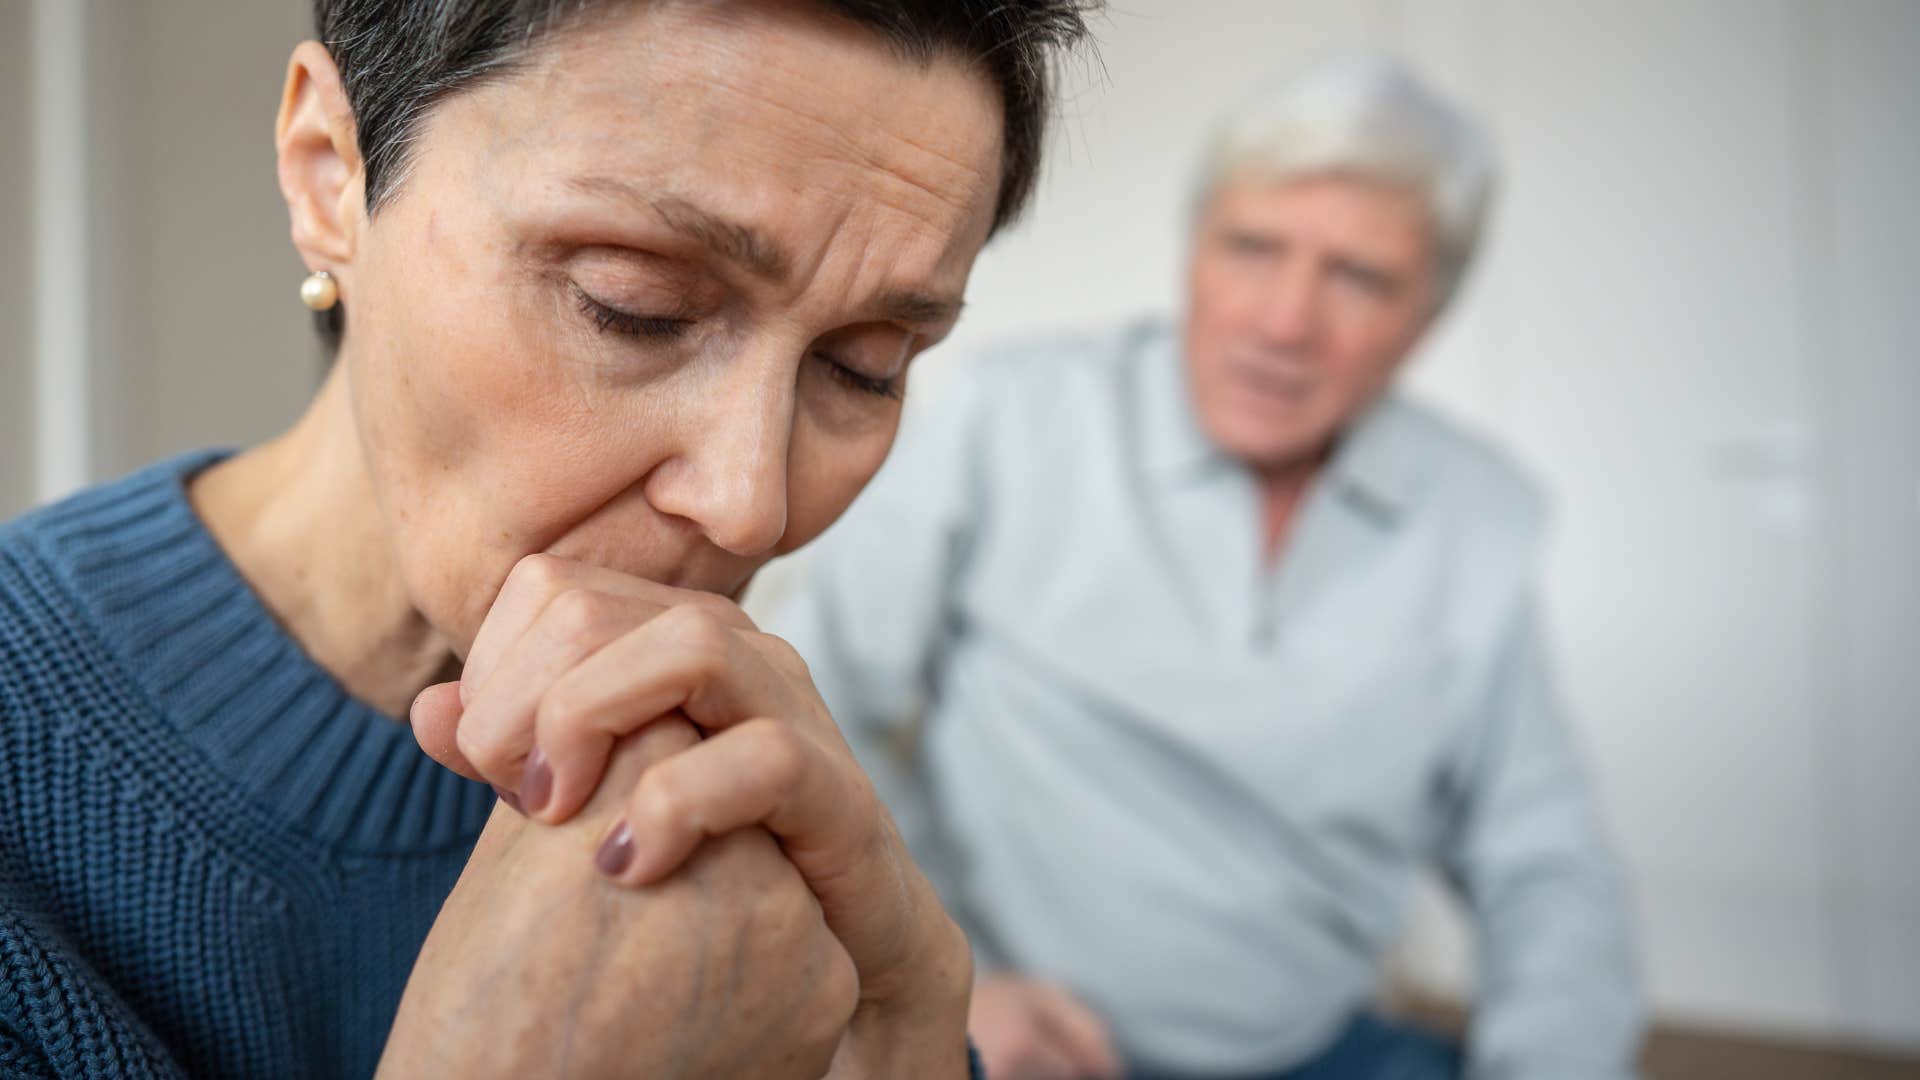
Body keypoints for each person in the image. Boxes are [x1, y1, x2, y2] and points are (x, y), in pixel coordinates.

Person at [0, 1, 1095, 1076]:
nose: (751, 503)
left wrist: (907, 1023)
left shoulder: (736, 777)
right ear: (328, 170)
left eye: (868, 366)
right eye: (636, 304)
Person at [767, 54, 1645, 1080]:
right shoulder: (1006, 419)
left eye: (1360, 278)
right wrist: (938, 970)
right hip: (1016, 1033)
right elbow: (815, 702)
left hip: (1320, 1049)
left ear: (1428, 319)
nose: (1284, 323)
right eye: (1252, 249)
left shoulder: (1477, 514)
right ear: (1194, 255)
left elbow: (1545, 865)